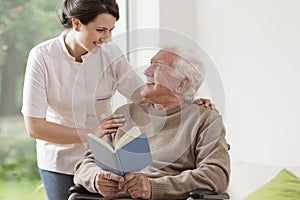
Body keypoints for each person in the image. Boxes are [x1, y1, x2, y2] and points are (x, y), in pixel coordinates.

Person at [21, 0, 214, 199]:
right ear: (76, 24)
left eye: (111, 30)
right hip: (59, 159)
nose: (106, 37)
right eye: (100, 30)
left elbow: (143, 95)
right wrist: (91, 133)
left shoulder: (110, 53)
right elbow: (35, 127)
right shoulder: (42, 57)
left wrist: (191, 101)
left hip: (103, 159)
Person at [73, 46, 231, 199]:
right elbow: (85, 163)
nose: (146, 72)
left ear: (181, 83)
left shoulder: (204, 120)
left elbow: (217, 174)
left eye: (158, 67)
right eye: (150, 64)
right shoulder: (126, 114)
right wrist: (96, 178)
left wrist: (154, 187)